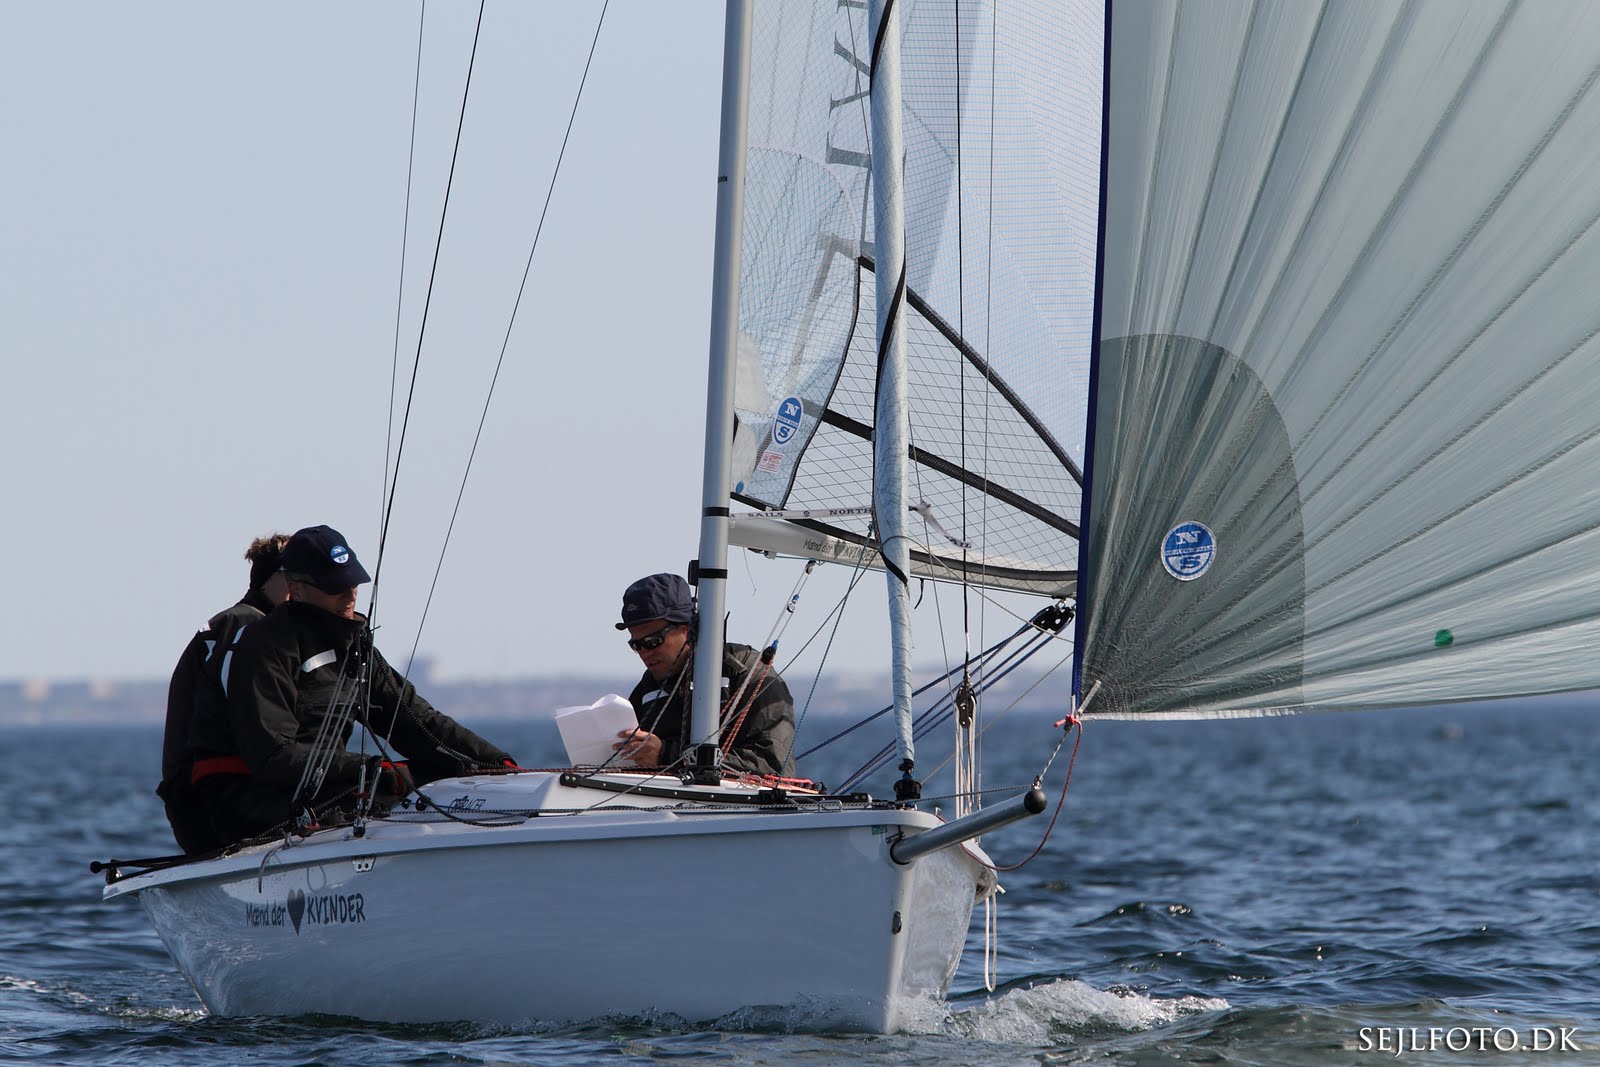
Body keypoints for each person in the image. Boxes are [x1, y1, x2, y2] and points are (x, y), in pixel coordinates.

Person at [191, 524, 514, 847]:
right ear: (297, 589)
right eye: (335, 586)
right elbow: (274, 756)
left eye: (353, 582)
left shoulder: (354, 645)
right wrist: (370, 768)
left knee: (442, 780)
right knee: (391, 791)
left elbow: (417, 722)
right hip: (250, 801)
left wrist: (498, 763)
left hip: (321, 787)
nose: (349, 594)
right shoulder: (266, 646)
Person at [158, 532, 291, 853]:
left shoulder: (226, 627)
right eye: (296, 579)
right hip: (220, 807)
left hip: (194, 804)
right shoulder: (247, 629)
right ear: (272, 579)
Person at [612, 572, 796, 778]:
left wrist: (665, 755)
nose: (645, 653)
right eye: (636, 645)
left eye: (653, 641)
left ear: (686, 629)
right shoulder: (649, 687)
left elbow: (772, 765)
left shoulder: (747, 672)